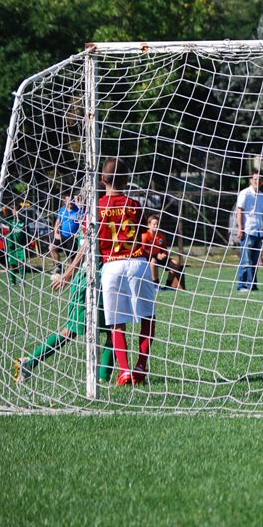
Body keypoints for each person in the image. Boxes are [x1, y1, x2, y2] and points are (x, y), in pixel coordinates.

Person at [15, 208, 114, 384]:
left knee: (114, 330)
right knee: (72, 331)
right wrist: (67, 275)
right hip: (89, 282)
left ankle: (103, 379)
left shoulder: (97, 214)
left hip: (104, 280)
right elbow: (85, 248)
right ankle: (29, 362)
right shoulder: (95, 216)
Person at [98, 158, 157, 386]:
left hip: (111, 266)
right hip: (137, 263)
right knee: (148, 317)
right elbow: (141, 233)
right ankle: (141, 365)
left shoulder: (97, 207)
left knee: (116, 323)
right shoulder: (134, 204)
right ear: (126, 180)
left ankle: (124, 370)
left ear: (102, 179)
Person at [235, 169, 263, 293]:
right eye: (255, 179)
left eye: (259, 179)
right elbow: (239, 211)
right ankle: (242, 286)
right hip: (247, 231)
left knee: (255, 261)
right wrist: (240, 229)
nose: (257, 181)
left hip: (258, 233)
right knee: (246, 260)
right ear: (251, 180)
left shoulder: (262, 196)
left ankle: (252, 285)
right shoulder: (244, 193)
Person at [141, 214, 187, 291]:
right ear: (149, 225)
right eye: (154, 224)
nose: (156, 226)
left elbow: (164, 249)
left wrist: (164, 254)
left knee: (176, 263)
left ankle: (168, 286)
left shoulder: (161, 236)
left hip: (160, 258)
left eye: (157, 224)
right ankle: (156, 285)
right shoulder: (144, 236)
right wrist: (156, 255)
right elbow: (143, 250)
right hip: (148, 258)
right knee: (153, 261)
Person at [50, 194, 82, 273]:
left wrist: (79, 233)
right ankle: (59, 268)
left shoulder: (78, 210)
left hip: (72, 238)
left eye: (71, 200)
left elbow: (82, 223)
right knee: (51, 248)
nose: (70, 202)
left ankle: (73, 273)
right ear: (65, 201)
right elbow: (58, 222)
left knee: (72, 258)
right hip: (62, 236)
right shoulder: (62, 210)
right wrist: (56, 233)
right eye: (68, 200)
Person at [2, 200, 28, 285]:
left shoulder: (24, 222)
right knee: (12, 264)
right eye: (13, 210)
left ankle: (22, 280)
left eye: (17, 210)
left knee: (22, 263)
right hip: (11, 246)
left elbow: (28, 234)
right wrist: (8, 206)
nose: (15, 212)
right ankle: (13, 281)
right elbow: (4, 210)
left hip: (21, 246)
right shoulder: (10, 220)